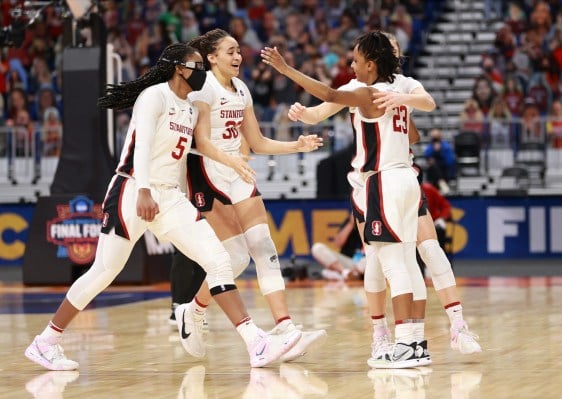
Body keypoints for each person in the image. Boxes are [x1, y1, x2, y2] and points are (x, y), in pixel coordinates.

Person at [24, 43, 301, 371]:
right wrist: (143, 190)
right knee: (103, 272)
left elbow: (204, 146)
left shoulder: (190, 106)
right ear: (180, 69)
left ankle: (255, 343)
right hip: (132, 189)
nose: (202, 72)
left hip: (169, 196)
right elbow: (141, 148)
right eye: (196, 65)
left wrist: (235, 158)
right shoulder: (154, 96)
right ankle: (46, 340)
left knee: (219, 260)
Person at [265, 32, 481, 359]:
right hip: (383, 181)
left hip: (384, 180)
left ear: (373, 60)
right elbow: (322, 109)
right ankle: (394, 337)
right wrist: (302, 115)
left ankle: (415, 339)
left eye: (355, 59)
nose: (351, 65)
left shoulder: (386, 87)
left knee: (398, 261)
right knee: (391, 262)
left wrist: (286, 70)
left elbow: (330, 92)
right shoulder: (365, 88)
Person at [170, 29, 326, 363]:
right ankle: (193, 311)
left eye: (239, 50)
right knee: (235, 258)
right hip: (208, 172)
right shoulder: (204, 89)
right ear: (211, 57)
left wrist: (296, 145)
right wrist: (231, 161)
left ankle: (285, 328)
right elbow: (201, 142)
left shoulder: (241, 89)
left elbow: (256, 142)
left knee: (264, 246)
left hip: (236, 169)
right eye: (230, 51)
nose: (238, 56)